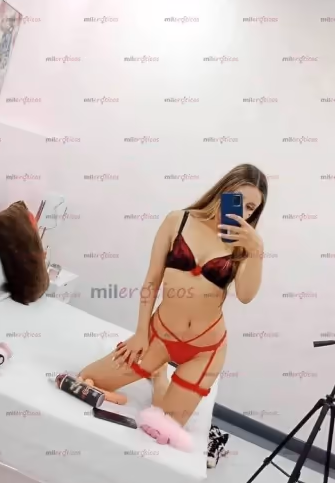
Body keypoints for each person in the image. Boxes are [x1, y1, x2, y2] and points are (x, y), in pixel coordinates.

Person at [79, 164, 268, 430]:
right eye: (238, 199)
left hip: (205, 350)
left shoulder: (243, 246)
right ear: (224, 190)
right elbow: (152, 280)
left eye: (250, 208)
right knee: (86, 380)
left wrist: (257, 250)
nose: (242, 211)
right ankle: (158, 371)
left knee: (161, 428)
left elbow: (246, 296)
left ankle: (160, 381)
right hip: (160, 335)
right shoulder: (178, 221)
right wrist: (141, 333)